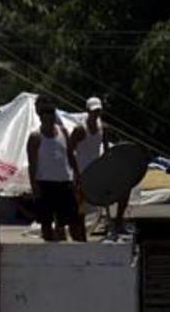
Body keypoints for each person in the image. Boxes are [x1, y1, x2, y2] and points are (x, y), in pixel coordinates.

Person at [27, 96, 86, 242]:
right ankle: (50, 250)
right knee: (46, 224)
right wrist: (34, 187)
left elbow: (70, 154)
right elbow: (32, 165)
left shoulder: (63, 131)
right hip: (45, 183)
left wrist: (77, 175)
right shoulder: (35, 137)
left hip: (64, 182)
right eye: (46, 114)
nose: (50, 117)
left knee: (73, 220)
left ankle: (79, 246)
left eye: (52, 113)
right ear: (41, 117)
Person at [72, 96, 128, 235]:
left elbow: (106, 148)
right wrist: (76, 172)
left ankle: (118, 222)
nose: (96, 114)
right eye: (93, 111)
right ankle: (80, 233)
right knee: (81, 206)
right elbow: (69, 150)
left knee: (124, 189)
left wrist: (109, 166)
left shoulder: (103, 127)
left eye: (98, 111)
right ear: (87, 111)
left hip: (97, 169)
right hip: (82, 171)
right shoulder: (80, 129)